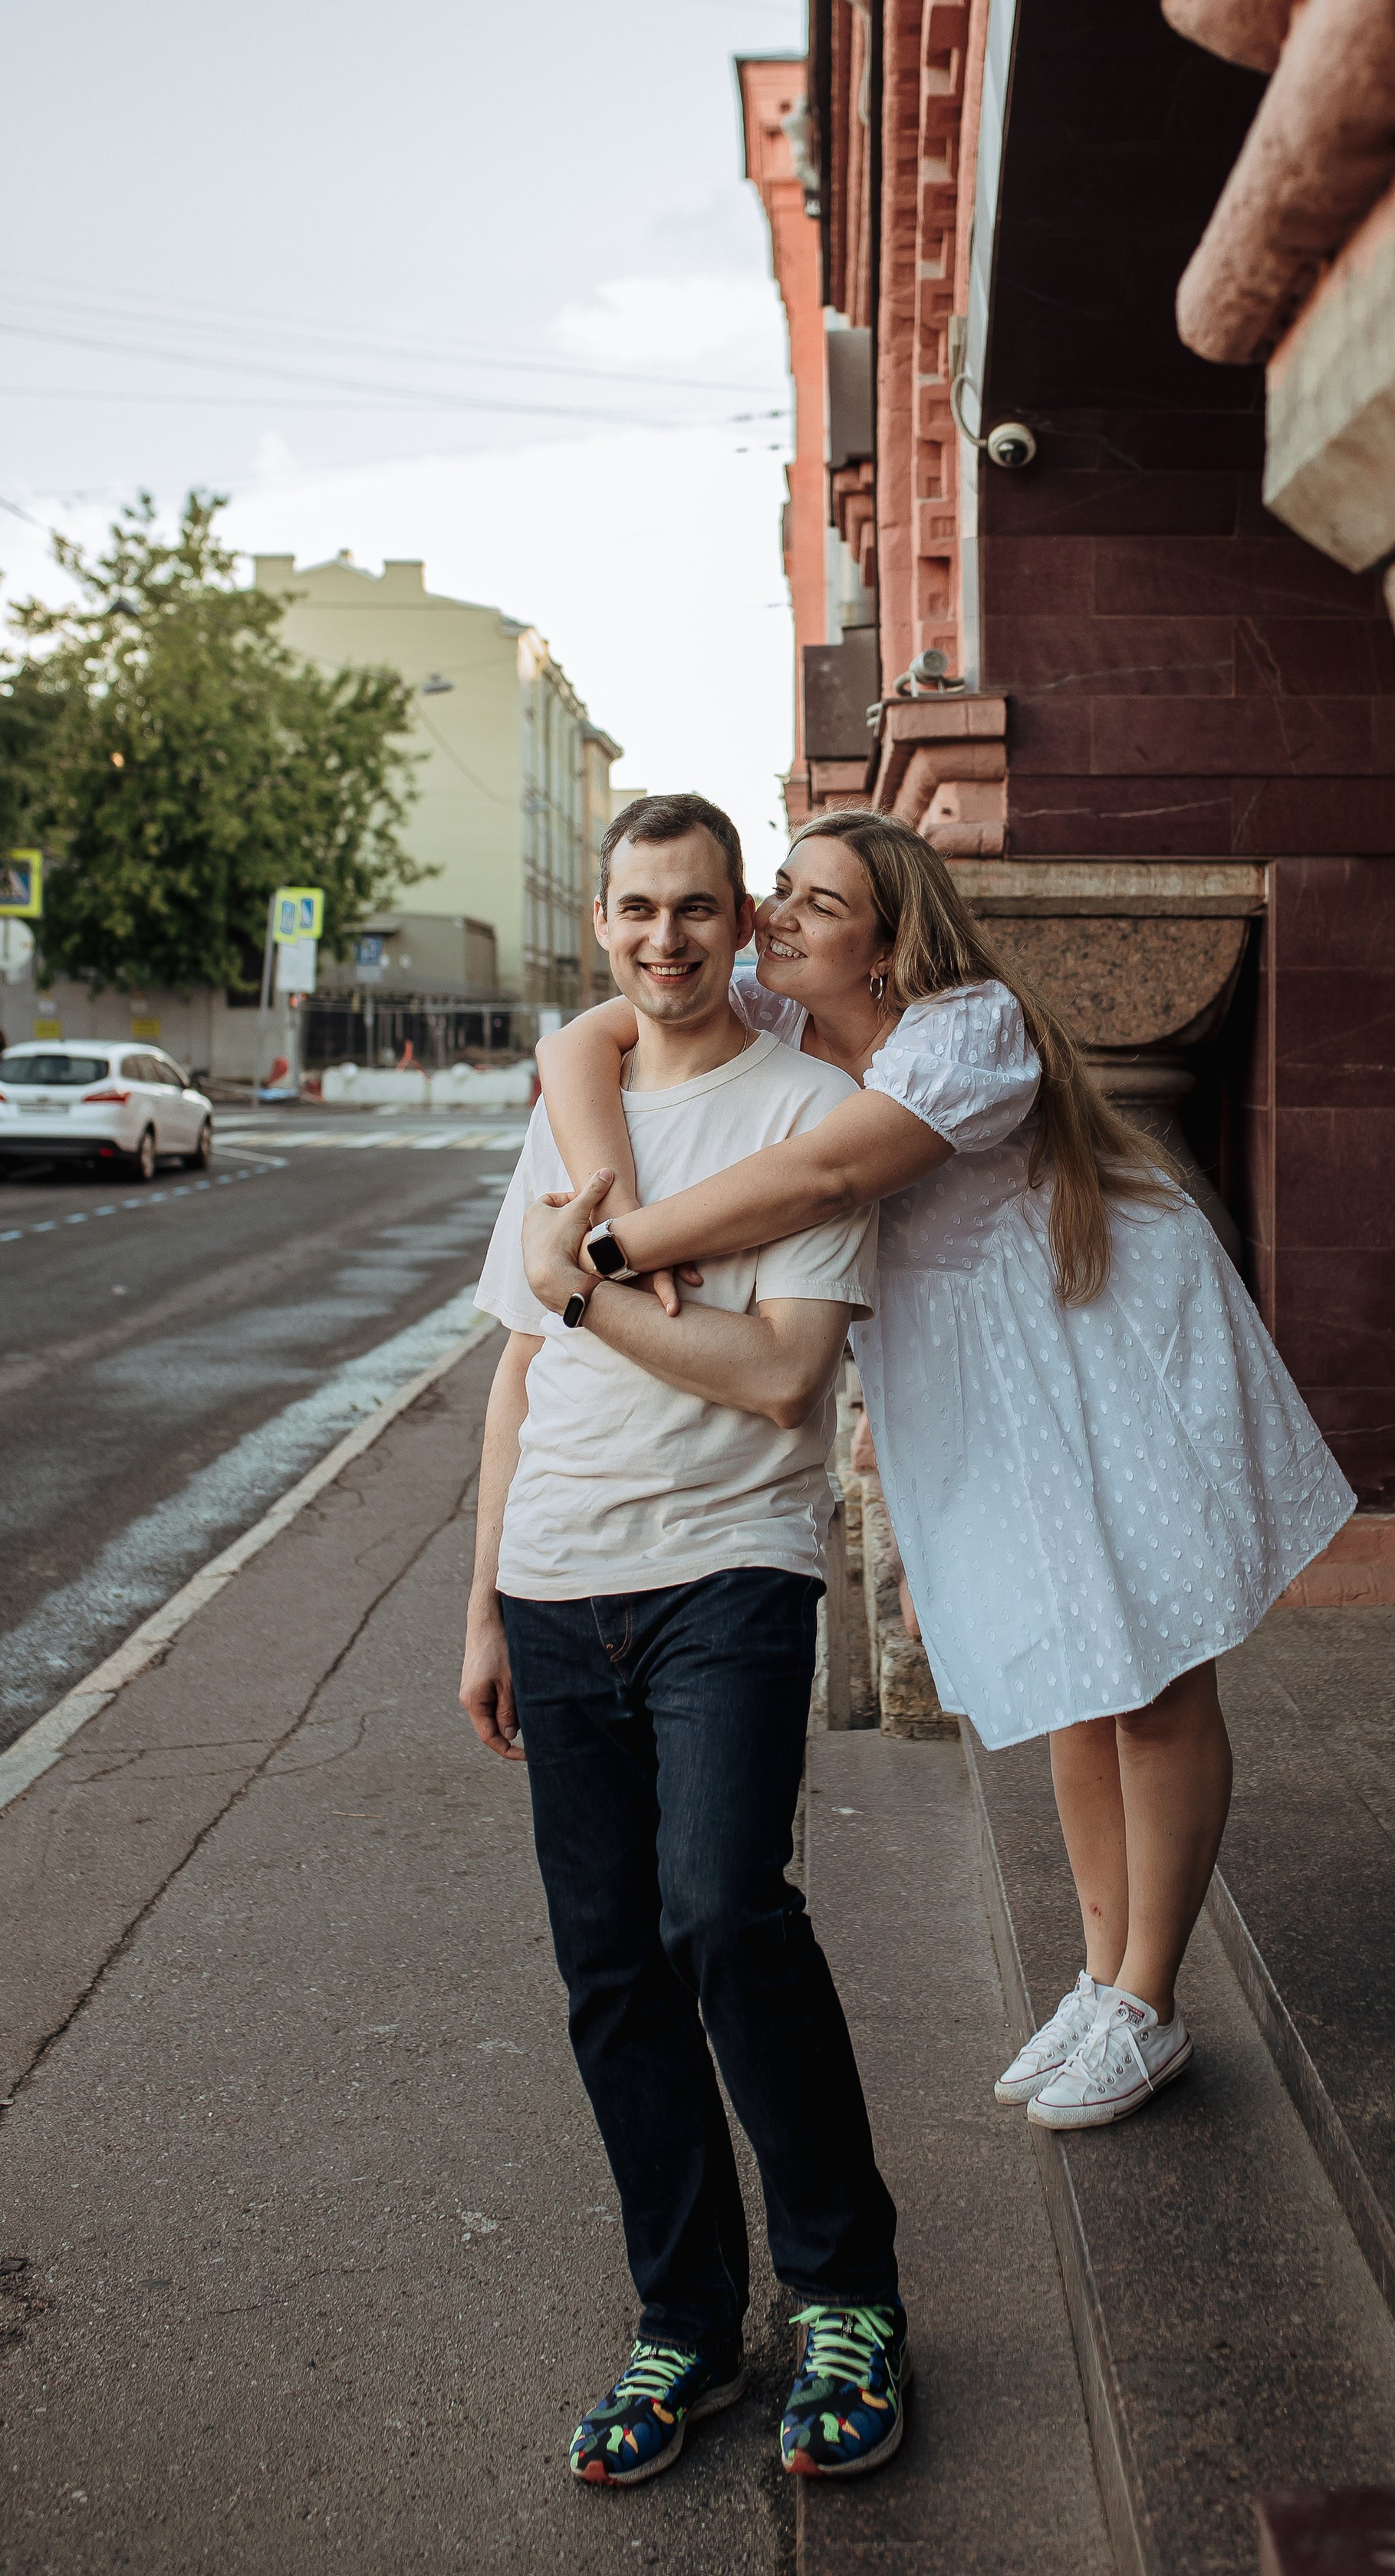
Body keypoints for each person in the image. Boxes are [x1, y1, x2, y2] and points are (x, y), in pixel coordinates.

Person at [524, 809, 1355, 2138]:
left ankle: (1150, 1996)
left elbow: (826, 1170)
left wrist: (612, 1252)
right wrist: (600, 1191)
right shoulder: (783, 1016)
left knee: (1153, 1674)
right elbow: (580, 1038)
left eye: (815, 902)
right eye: (778, 892)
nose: (774, 918)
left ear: (889, 941)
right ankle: (1100, 1982)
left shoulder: (967, 1030)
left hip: (1099, 1337)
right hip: (975, 1376)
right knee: (1074, 1675)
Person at [462, 792, 910, 2491]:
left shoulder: (812, 1111)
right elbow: (516, 1366)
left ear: (743, 924)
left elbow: (783, 1371)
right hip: (559, 1574)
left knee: (723, 1910)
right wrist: (483, 1600)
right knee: (611, 1973)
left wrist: (594, 1291)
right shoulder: (572, 1115)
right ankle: (681, 2324)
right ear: (603, 924)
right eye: (638, 910)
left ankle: (847, 2294)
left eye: (698, 910)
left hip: (733, 1565)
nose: (667, 939)